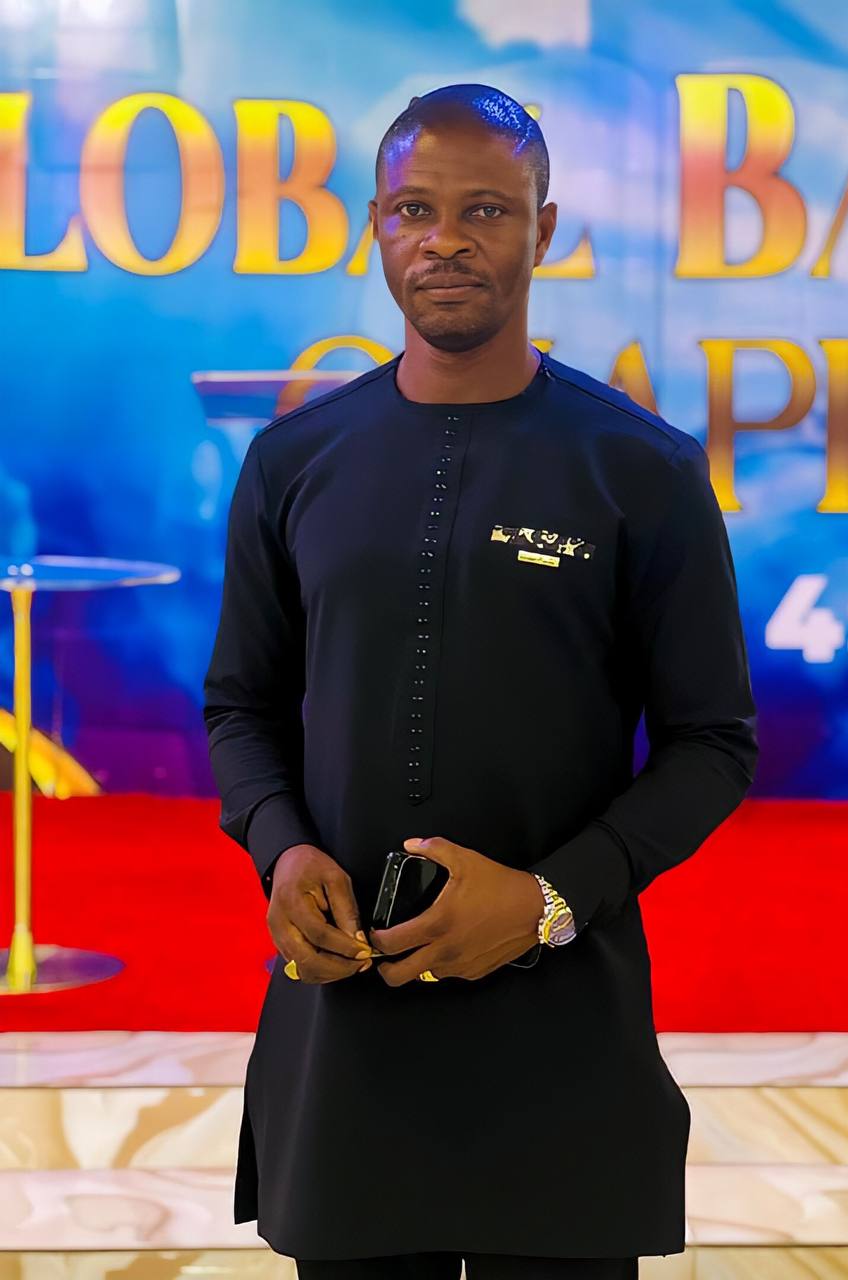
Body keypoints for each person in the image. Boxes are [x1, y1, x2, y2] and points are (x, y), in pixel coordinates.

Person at [202, 83, 759, 1280]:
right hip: (344, 1040)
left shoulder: (640, 469)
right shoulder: (294, 459)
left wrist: (549, 898)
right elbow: (241, 704)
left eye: (486, 210)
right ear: (376, 225)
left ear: (542, 230)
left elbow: (714, 742)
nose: (445, 239)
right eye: (415, 208)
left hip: (563, 1037)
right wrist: (281, 849)